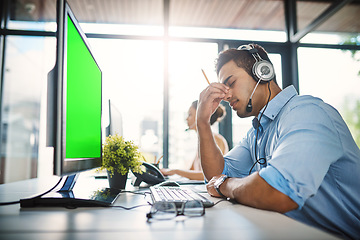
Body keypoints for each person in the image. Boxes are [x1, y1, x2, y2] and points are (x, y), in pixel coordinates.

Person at [196, 43, 360, 239]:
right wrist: (203, 122)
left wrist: (225, 184)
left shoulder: (307, 112)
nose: (226, 95)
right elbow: (215, 176)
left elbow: (278, 191)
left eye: (231, 83)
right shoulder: (256, 132)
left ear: (262, 72)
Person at [160, 100, 229, 180]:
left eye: (190, 115)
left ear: (200, 115)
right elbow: (191, 171)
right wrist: (168, 174)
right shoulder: (202, 142)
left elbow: (212, 176)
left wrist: (175, 171)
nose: (186, 119)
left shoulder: (216, 140)